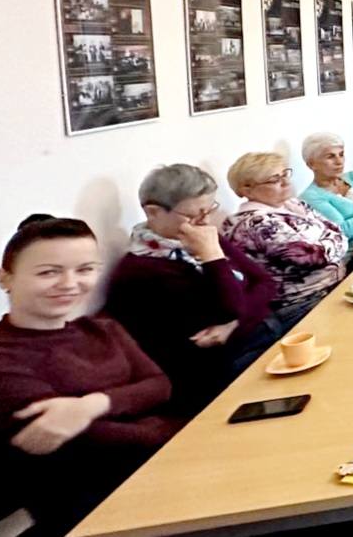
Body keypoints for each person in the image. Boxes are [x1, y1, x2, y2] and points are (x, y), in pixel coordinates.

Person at [0, 216, 180, 537]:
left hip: (148, 472)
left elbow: (159, 385)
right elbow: (85, 440)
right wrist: (178, 437)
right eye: (48, 272)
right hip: (86, 515)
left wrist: (91, 405)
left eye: (85, 269)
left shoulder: (101, 328)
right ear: (5, 279)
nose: (70, 283)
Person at [105, 165, 280, 411]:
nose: (205, 221)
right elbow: (230, 308)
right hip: (216, 371)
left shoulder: (199, 237)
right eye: (193, 215)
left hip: (259, 335)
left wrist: (234, 324)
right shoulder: (143, 270)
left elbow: (265, 282)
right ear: (153, 212)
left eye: (209, 210)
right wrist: (212, 257)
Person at [220, 152, 350, 325]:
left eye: (285, 174)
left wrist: (331, 241)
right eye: (275, 180)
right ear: (246, 189)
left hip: (334, 285)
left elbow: (337, 230)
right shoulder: (255, 223)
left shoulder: (292, 204)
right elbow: (313, 257)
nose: (286, 182)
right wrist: (333, 240)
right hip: (305, 303)